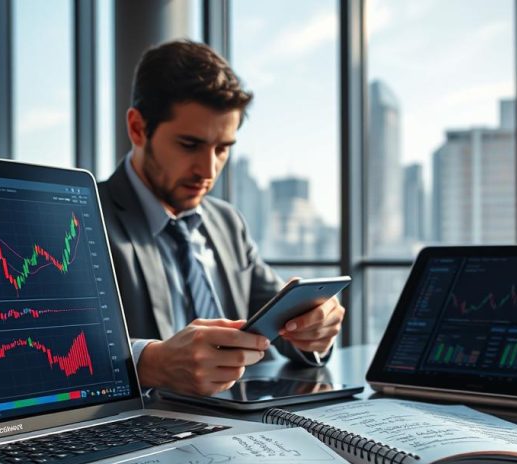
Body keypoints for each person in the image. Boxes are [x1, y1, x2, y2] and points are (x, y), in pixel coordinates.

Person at [98, 40, 345, 397]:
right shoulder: (84, 218)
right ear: (138, 128)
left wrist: (313, 330)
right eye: (189, 145)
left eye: (223, 148)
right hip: (143, 424)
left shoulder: (227, 223)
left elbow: (281, 322)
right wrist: (149, 363)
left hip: (244, 418)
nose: (208, 170)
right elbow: (56, 349)